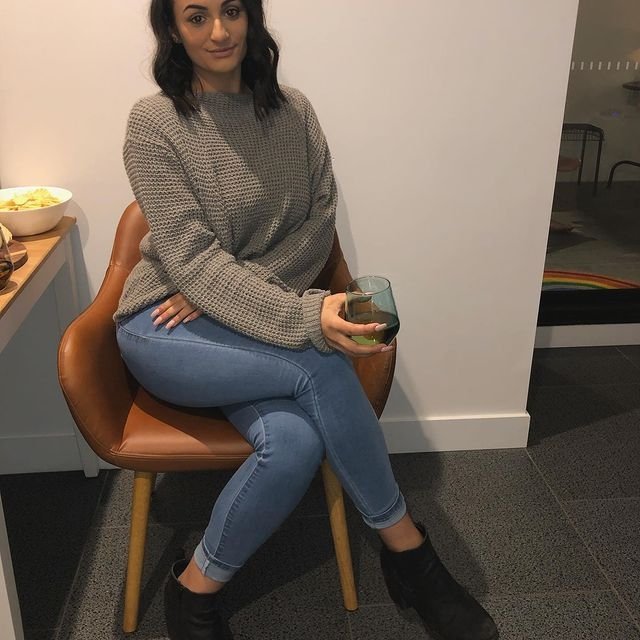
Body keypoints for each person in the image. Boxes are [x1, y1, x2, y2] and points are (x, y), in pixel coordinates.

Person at [114, 1, 499, 638]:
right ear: (173, 31)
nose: (219, 31)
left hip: (242, 321)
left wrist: (234, 291)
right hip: (166, 325)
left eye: (231, 11)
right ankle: (411, 557)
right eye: (196, 16)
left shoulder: (294, 112)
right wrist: (279, 306)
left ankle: (193, 591)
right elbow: (190, 259)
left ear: (252, 17)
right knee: (319, 359)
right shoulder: (155, 123)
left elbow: (319, 226)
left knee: (292, 444)